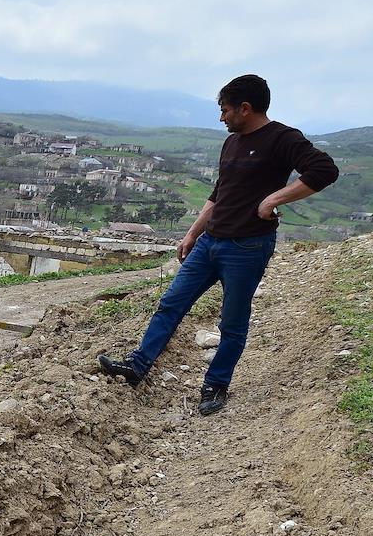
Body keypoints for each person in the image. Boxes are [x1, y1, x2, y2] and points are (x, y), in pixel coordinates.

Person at [98, 74, 338, 415]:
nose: (221, 117)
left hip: (248, 247)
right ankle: (137, 367)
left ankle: (216, 384)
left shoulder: (282, 138)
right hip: (210, 242)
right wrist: (192, 233)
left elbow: (324, 170)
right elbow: (218, 194)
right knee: (171, 304)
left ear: (245, 108)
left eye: (225, 110)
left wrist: (273, 200)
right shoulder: (232, 142)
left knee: (232, 322)